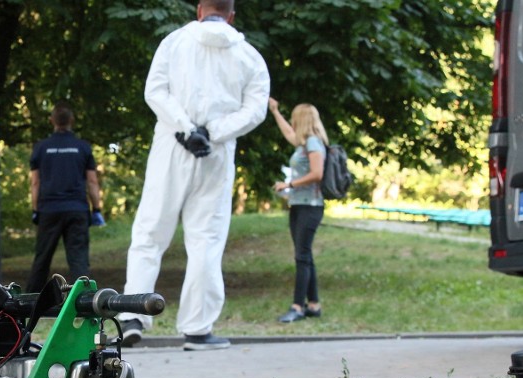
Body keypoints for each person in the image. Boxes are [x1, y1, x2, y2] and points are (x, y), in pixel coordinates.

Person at [117, 0, 270, 351]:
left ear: (200, 9)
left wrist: (187, 129)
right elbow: (255, 110)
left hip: (172, 146)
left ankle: (132, 316)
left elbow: (155, 91)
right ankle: (198, 329)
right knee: (206, 239)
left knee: (150, 231)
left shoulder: (174, 42)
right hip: (215, 154)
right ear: (231, 15)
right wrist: (212, 132)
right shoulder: (249, 57)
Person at [26, 102, 105, 293]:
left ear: (51, 121)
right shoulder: (82, 147)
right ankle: (84, 302)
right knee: (78, 259)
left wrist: (36, 209)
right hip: (76, 210)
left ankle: (28, 303)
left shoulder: (41, 148)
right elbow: (92, 182)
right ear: (71, 121)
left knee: (42, 258)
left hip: (48, 210)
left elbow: (35, 183)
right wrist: (96, 209)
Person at [268, 97, 328, 323]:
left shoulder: (313, 143)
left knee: (301, 257)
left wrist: (289, 185)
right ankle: (313, 304)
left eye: (294, 118)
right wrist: (275, 111)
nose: (291, 121)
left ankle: (297, 307)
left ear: (301, 119)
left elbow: (317, 174)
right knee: (305, 255)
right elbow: (288, 135)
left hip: (310, 207)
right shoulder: (305, 143)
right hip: (300, 205)